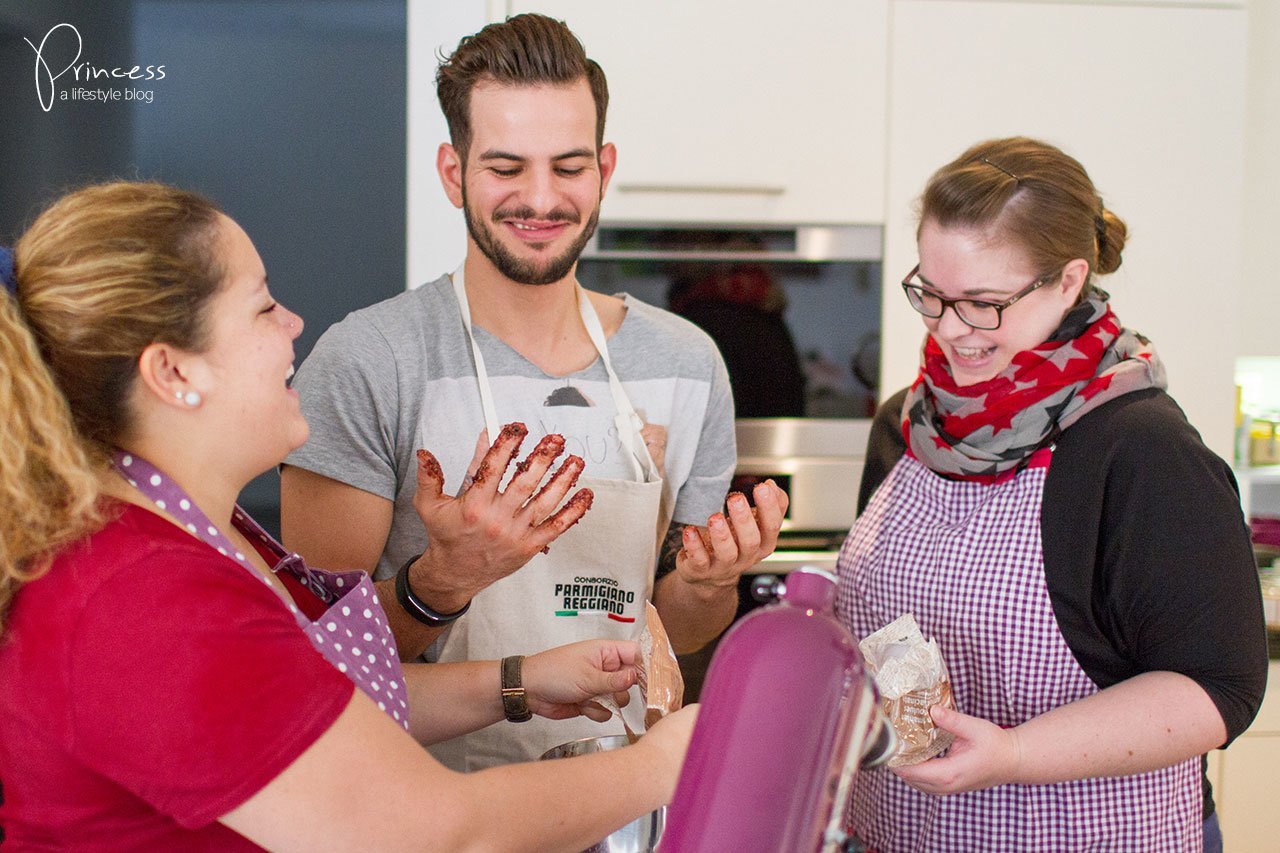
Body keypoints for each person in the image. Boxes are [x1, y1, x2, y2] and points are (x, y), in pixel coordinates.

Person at [0, 181, 697, 850]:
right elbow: (435, 833)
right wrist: (661, 763)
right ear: (174, 373)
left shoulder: (194, 532)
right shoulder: (139, 596)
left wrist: (516, 681)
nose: (294, 322)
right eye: (263, 306)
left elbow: (304, 714)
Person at [280, 12, 786, 770]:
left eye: (570, 167)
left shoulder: (686, 363)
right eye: (507, 167)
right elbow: (312, 659)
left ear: (605, 170)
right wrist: (443, 578)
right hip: (427, 806)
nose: (542, 199)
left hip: (616, 796)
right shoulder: (368, 359)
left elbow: (671, 628)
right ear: (454, 173)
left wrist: (712, 583)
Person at [836, 137, 1268, 852]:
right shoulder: (907, 421)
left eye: (982, 303)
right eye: (931, 295)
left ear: (1068, 281)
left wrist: (1014, 754)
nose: (948, 330)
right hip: (893, 833)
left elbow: (1219, 688)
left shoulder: (1140, 448)